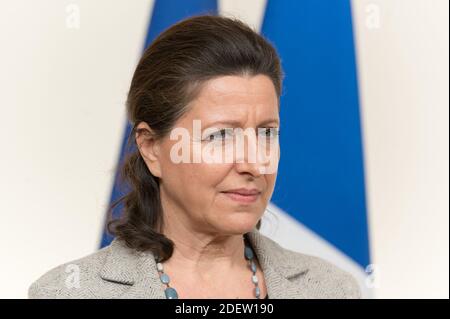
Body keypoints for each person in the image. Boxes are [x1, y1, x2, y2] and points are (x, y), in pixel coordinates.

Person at [29, 15, 361, 299]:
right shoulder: (69, 292)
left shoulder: (333, 288)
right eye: (220, 136)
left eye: (266, 133)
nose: (255, 163)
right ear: (151, 147)